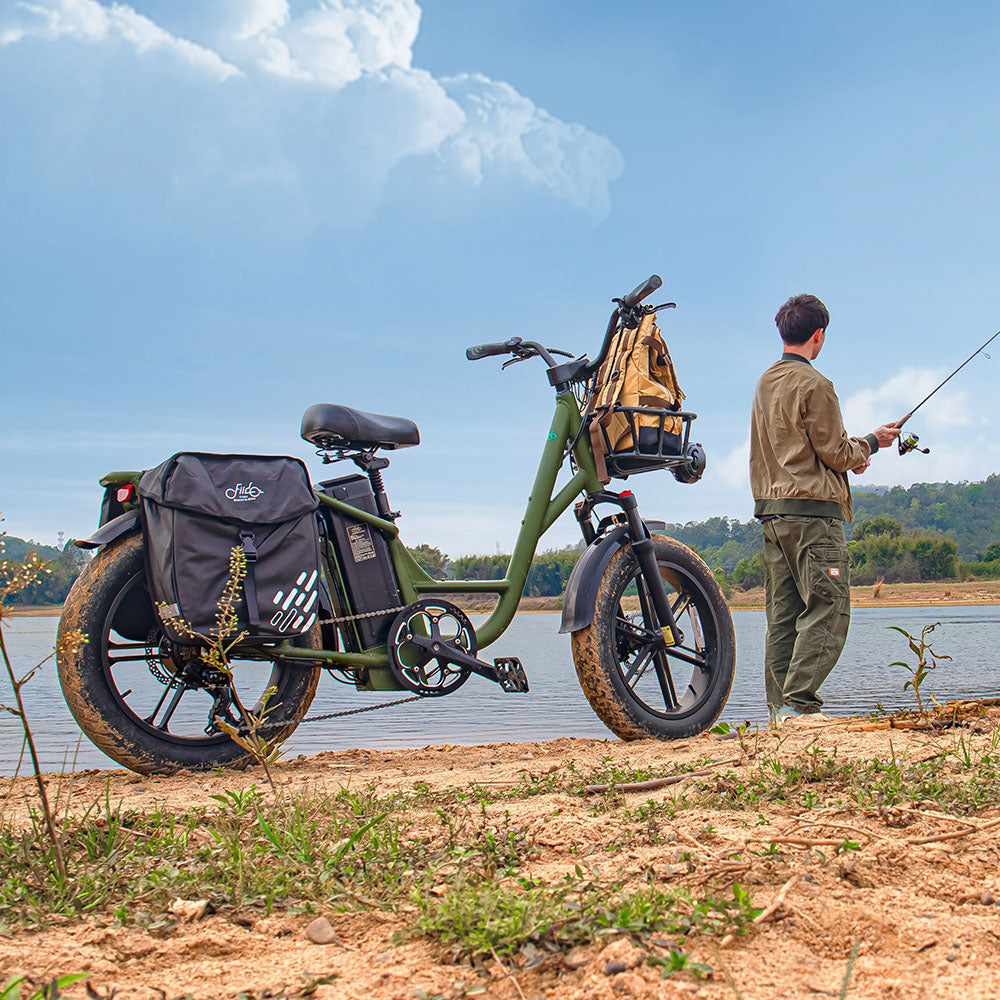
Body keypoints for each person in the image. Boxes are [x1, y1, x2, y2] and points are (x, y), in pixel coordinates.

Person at [750, 294, 900, 725]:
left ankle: (780, 712)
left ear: (783, 332)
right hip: (813, 515)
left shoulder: (765, 382)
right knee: (830, 605)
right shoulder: (816, 384)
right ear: (818, 335)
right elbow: (835, 451)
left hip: (773, 513)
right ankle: (799, 703)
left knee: (783, 614)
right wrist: (872, 442)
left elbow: (802, 448)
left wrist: (853, 451)